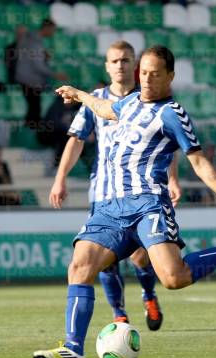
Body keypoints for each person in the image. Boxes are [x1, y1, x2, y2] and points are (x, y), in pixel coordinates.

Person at [33, 45, 216, 358]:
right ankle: (72, 347)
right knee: (79, 267)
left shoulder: (172, 113)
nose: (147, 80)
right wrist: (79, 94)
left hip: (149, 206)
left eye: (155, 74)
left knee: (175, 279)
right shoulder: (129, 101)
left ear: (170, 76)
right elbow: (105, 108)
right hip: (108, 208)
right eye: (143, 73)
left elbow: (200, 162)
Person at [49, 41, 173, 331]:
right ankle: (119, 314)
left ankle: (149, 294)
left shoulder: (150, 100)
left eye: (126, 60)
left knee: (142, 254)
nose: (120, 65)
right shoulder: (96, 100)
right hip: (104, 192)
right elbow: (76, 139)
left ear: (135, 65)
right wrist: (60, 178)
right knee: (104, 260)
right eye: (115, 61)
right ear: (107, 66)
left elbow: (166, 143)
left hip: (141, 192)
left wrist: (174, 179)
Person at [15, 19, 67, 131]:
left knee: (33, 107)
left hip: (24, 77)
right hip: (30, 80)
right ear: (46, 28)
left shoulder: (29, 38)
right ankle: (31, 135)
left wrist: (43, 56)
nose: (53, 33)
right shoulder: (35, 43)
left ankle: (29, 133)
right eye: (52, 30)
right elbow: (38, 66)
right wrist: (55, 74)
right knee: (34, 108)